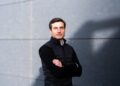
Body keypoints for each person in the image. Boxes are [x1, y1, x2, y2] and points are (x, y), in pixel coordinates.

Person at [39, 18, 82, 86]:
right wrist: (74, 66)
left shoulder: (70, 48)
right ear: (50, 31)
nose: (59, 31)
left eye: (61, 28)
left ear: (64, 30)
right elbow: (58, 73)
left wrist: (62, 66)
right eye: (55, 28)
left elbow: (79, 71)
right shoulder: (45, 49)